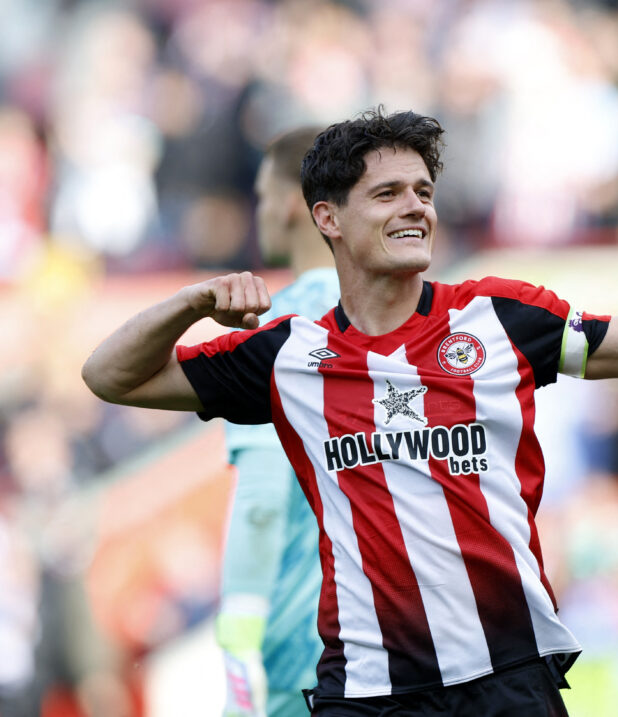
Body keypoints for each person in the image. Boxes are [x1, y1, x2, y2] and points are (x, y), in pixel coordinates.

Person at [81, 107, 618, 716]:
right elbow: (110, 375)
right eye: (387, 194)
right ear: (328, 219)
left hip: (507, 681)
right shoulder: (290, 356)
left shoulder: (498, 319)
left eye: (423, 190)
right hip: (367, 691)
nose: (415, 207)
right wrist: (189, 303)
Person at [216, 126, 337, 717]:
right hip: (409, 642)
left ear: (291, 203)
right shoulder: (406, 322)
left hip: (304, 653)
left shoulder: (280, 331)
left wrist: (239, 644)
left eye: (263, 196)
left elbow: (263, 500)